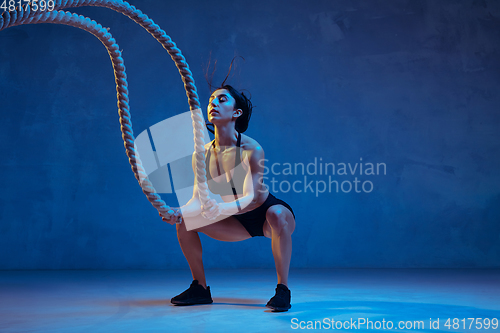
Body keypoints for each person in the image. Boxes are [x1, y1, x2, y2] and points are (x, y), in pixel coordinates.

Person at [162, 84, 296, 312]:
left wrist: (221, 207)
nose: (213, 103)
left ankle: (283, 290)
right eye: (212, 99)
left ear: (237, 113)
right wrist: (179, 211)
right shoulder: (202, 153)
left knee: (276, 214)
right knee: (185, 221)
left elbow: (251, 198)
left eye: (222, 99)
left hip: (265, 215)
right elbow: (197, 198)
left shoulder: (251, 148)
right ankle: (200, 288)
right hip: (235, 221)